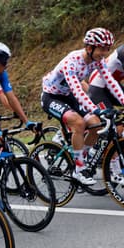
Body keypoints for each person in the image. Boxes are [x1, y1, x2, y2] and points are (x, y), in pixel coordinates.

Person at [42, 28, 124, 185]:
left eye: (107, 49)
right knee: (79, 123)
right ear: (89, 48)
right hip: (51, 97)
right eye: (102, 49)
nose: (104, 53)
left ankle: (81, 157)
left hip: (68, 96)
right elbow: (78, 91)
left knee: (95, 124)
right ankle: (78, 169)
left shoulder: (97, 61)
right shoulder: (71, 62)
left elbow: (111, 82)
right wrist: (96, 109)